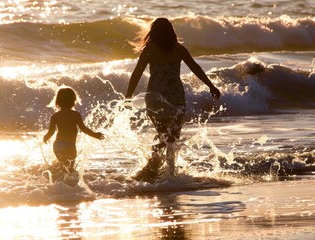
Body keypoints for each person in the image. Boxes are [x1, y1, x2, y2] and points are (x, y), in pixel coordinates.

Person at [125, 18, 221, 182]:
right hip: (175, 97)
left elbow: (137, 73)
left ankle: (154, 169)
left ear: (153, 32)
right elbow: (195, 67)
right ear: (171, 32)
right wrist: (211, 86)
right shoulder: (178, 49)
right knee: (172, 137)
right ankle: (169, 172)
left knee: (162, 134)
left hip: (154, 97)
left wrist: (128, 97)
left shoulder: (149, 50)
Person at [43, 87, 104, 179]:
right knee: (70, 169)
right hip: (70, 145)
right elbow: (83, 129)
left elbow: (51, 131)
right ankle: (68, 185)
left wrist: (46, 137)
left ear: (57, 101)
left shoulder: (55, 116)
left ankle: (57, 181)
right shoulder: (75, 115)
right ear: (73, 101)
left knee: (63, 165)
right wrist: (95, 134)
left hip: (57, 145)